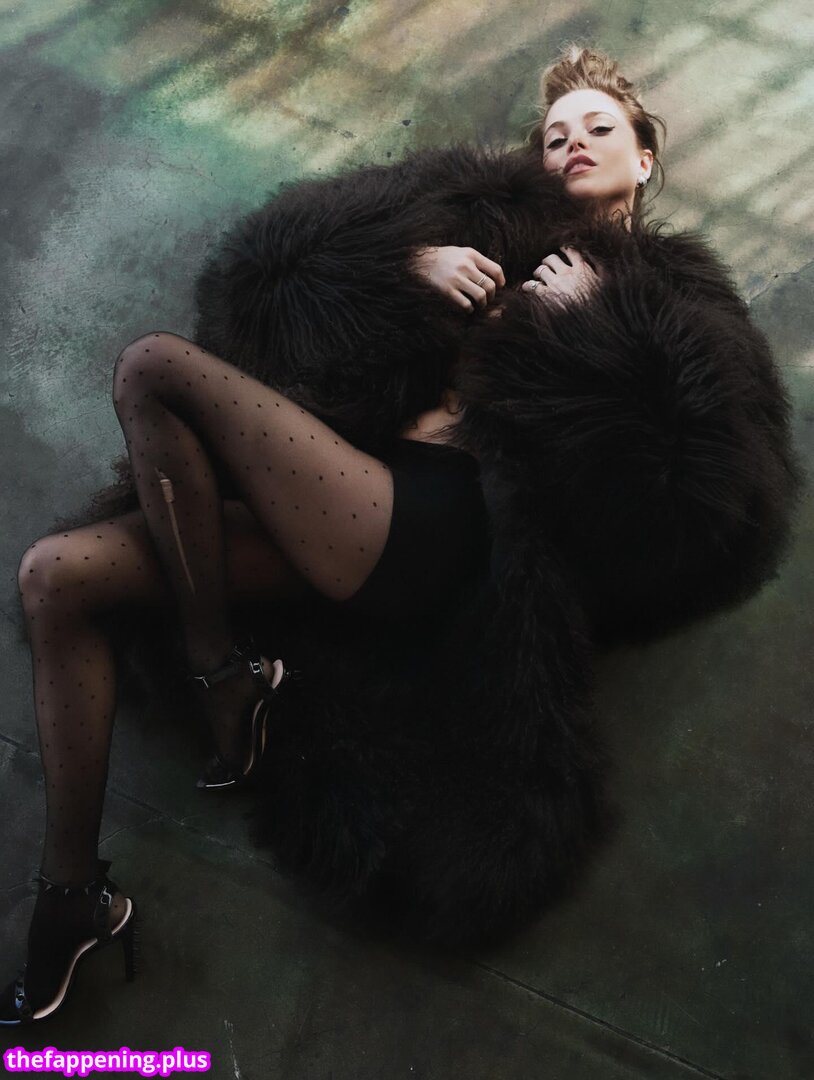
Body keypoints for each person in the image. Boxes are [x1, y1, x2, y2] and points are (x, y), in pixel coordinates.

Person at [1, 44, 801, 1024]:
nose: (572, 144)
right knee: (55, 577)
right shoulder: (480, 223)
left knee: (152, 368)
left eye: (599, 128)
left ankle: (225, 677)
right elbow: (266, 289)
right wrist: (404, 268)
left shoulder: (680, 301)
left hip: (443, 522)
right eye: (555, 134)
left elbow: (709, 507)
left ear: (643, 158)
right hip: (345, 487)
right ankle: (75, 897)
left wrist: (600, 323)